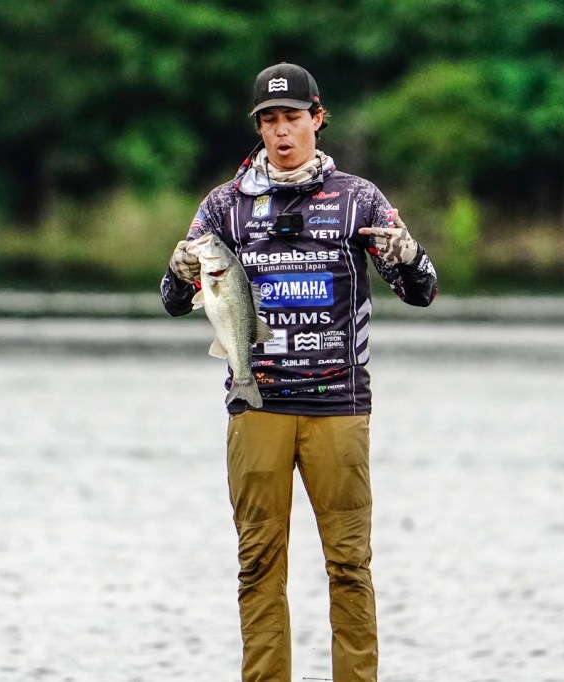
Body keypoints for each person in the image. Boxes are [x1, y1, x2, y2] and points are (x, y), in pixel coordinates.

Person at [159, 63, 438, 682]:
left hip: (338, 405)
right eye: (269, 121)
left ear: (317, 118)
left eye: (292, 118)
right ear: (258, 127)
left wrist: (408, 253)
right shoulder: (224, 206)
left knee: (349, 565)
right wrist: (179, 271)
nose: (282, 132)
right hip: (256, 404)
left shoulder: (358, 198)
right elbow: (174, 302)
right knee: (258, 564)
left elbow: (422, 292)